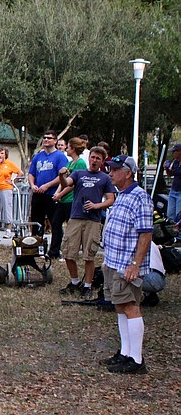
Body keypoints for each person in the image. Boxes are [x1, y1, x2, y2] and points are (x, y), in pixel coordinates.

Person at [100, 155, 153, 374]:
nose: (110, 173)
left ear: (128, 173)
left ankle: (137, 360)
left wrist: (135, 264)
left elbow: (146, 234)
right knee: (120, 306)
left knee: (131, 306)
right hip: (113, 261)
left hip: (126, 264)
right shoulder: (122, 195)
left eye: (114, 170)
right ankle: (125, 352)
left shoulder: (140, 197)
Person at [57, 146, 115, 299]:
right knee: (69, 252)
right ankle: (75, 282)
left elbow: (111, 199)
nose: (94, 160)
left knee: (89, 256)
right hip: (75, 218)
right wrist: (61, 175)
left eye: (98, 158)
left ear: (102, 161)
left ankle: (87, 285)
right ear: (89, 158)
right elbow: (65, 183)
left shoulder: (105, 178)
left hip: (93, 220)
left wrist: (97, 206)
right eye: (93, 157)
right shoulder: (79, 173)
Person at [49, 137, 88, 259]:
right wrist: (57, 192)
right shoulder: (69, 163)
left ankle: (69, 251)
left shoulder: (80, 163)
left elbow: (74, 183)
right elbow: (63, 180)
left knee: (71, 227)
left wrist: (61, 193)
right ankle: (54, 251)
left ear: (73, 148)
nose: (66, 149)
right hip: (63, 199)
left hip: (71, 199)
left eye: (69, 147)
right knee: (55, 223)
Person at [28, 130, 69, 236]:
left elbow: (62, 176)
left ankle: (55, 250)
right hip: (38, 194)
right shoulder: (38, 156)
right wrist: (32, 185)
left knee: (54, 223)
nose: (46, 140)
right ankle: (36, 246)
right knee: (36, 223)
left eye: (49, 138)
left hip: (52, 195)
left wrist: (47, 185)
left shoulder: (60, 156)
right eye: (44, 137)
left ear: (55, 141)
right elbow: (31, 173)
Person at [0, 147, 22, 231]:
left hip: (6, 188)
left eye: (2, 153)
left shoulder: (9, 163)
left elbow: (20, 172)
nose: (0, 155)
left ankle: (8, 228)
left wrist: (13, 181)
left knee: (7, 207)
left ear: (5, 154)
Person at [141, 242, 166, 307]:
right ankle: (150, 295)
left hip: (150, 279)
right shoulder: (150, 241)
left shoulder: (132, 241)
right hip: (161, 278)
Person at [163, 143, 181, 223]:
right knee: (170, 214)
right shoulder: (176, 162)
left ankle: (178, 234)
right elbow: (171, 174)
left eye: (174, 151)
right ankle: (171, 231)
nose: (173, 153)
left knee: (178, 215)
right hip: (173, 191)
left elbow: (178, 172)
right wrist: (166, 168)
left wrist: (174, 171)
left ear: (179, 152)